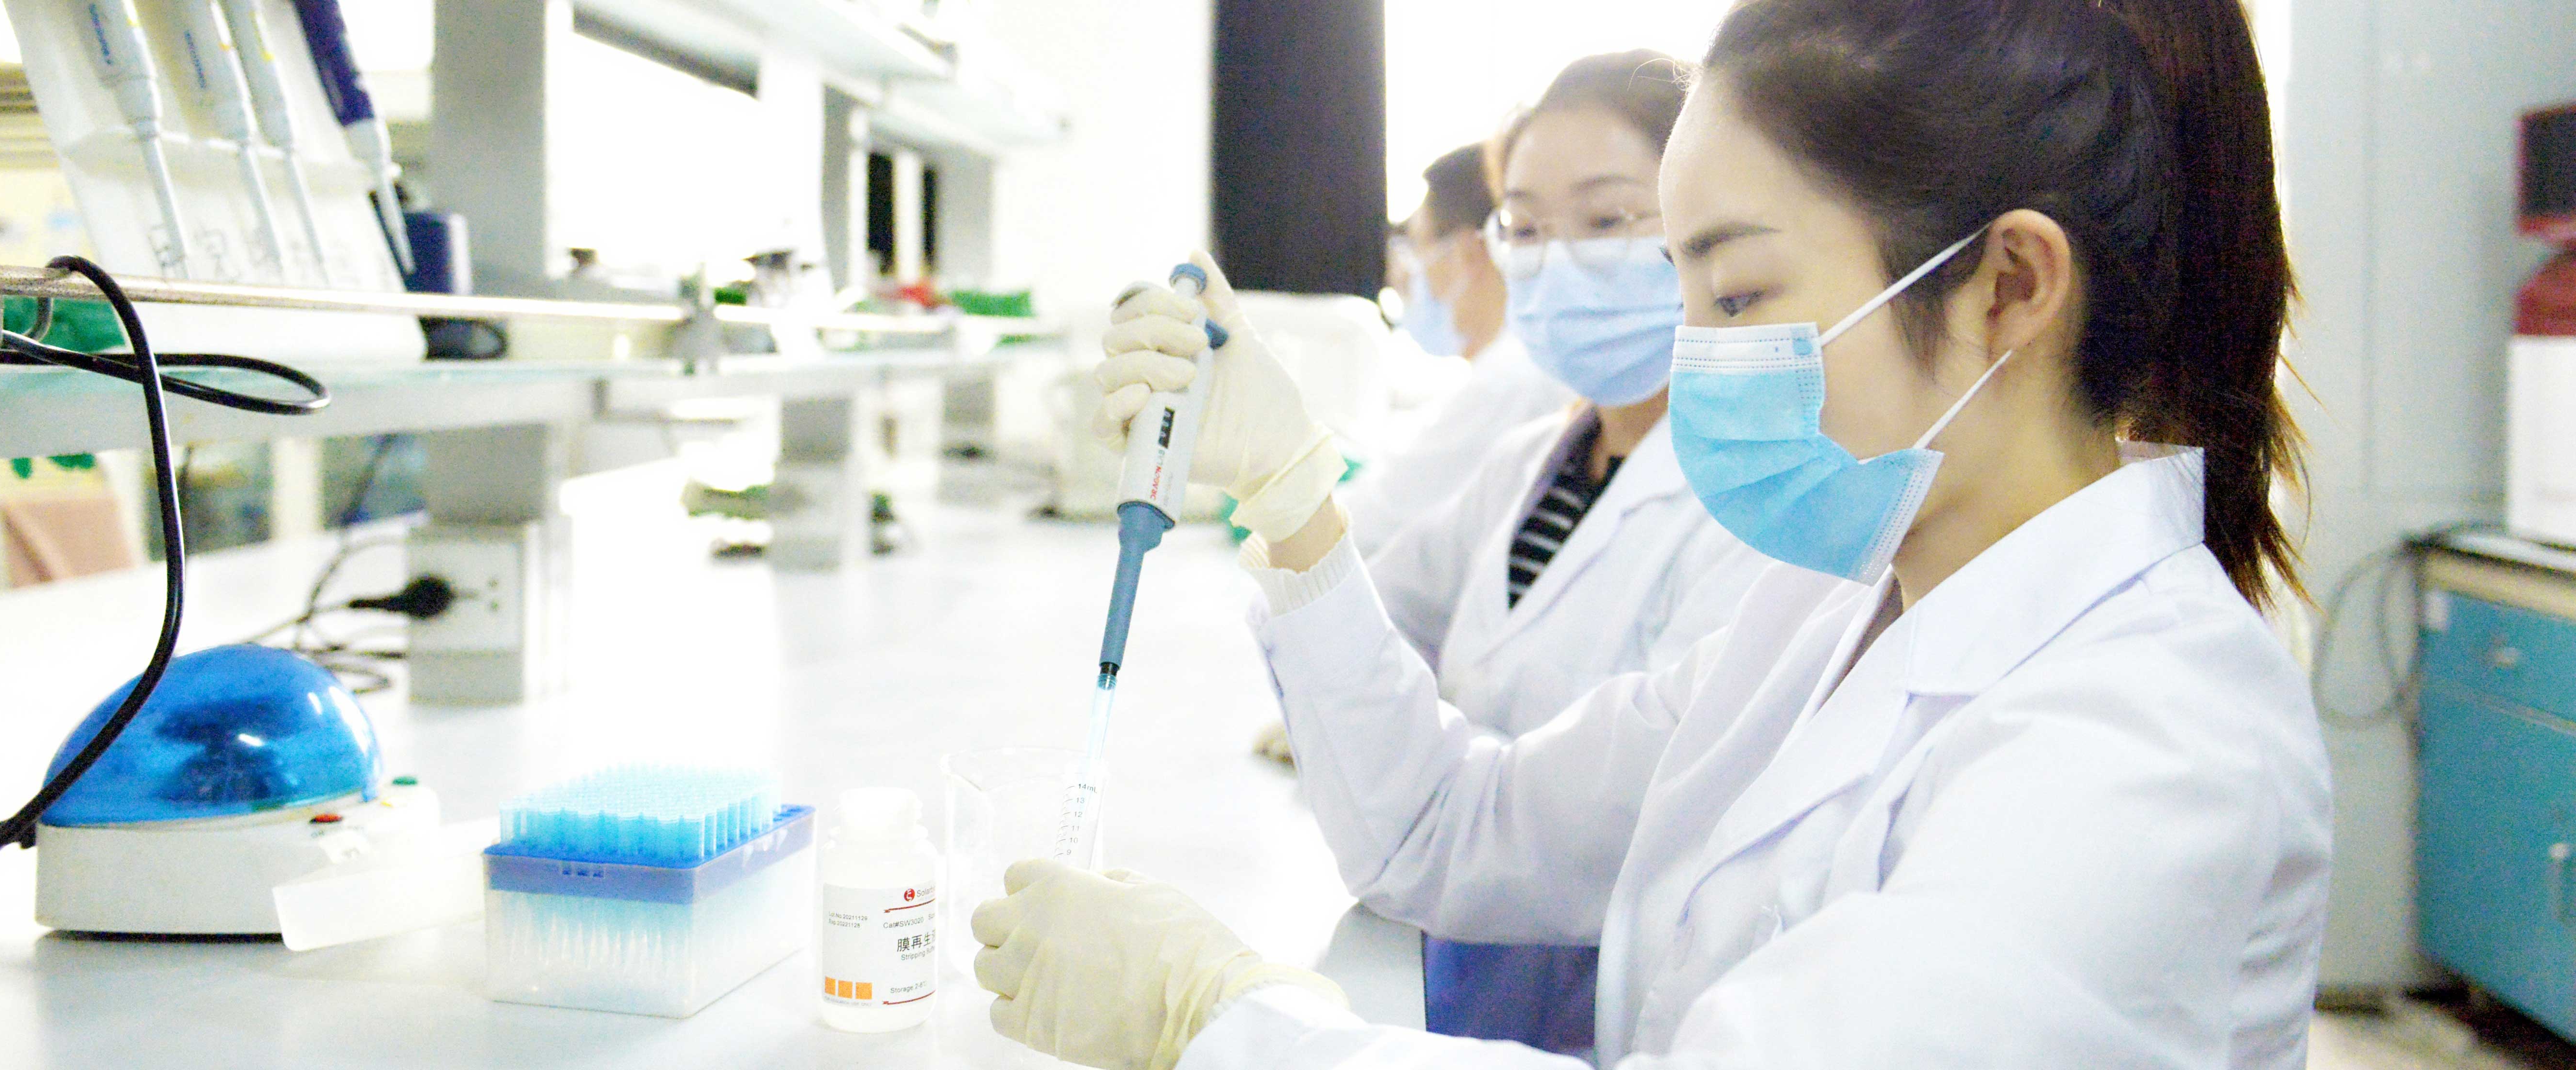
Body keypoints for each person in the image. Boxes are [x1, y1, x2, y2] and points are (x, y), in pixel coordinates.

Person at [975, 0, 2332, 1066]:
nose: (1694, 357)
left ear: (2008, 286)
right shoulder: (1825, 609)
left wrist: (1217, 1020)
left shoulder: (2158, 741)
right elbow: (1454, 826)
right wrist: (1288, 495)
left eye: (1738, 294)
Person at [1271, 51, 1784, 1056]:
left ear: (1706, 229)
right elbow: (1370, 613)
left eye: (1607, 218)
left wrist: (1287, 498)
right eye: (1528, 229)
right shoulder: (1533, 460)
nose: (1558, 264)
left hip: (1596, 1011)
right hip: (1450, 948)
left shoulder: (1755, 507)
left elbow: (1537, 825)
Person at [1342, 142, 1575, 555]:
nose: (1401, 276)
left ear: (1469, 253)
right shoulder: (1507, 369)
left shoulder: (1511, 379)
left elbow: (1364, 529)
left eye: (1416, 247)